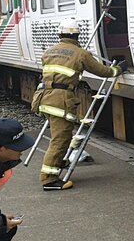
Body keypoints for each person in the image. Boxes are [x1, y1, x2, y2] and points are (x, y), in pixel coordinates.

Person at [37, 18, 125, 191]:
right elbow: (104, 72)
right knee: (60, 140)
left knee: (60, 137)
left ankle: (56, 162)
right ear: (77, 35)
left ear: (59, 34)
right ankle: (48, 180)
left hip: (44, 97)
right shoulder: (80, 53)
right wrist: (120, 68)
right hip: (60, 101)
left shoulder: (48, 52)